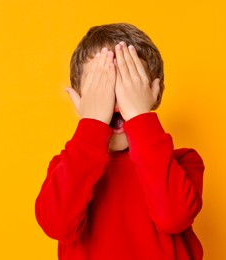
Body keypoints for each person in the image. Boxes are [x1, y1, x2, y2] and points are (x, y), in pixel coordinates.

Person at [35, 23, 205, 260]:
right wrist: (92, 122)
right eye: (102, 85)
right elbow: (56, 224)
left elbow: (173, 217)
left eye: (129, 83)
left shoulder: (183, 163)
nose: (116, 99)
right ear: (78, 100)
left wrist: (140, 116)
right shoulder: (65, 169)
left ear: (154, 93)